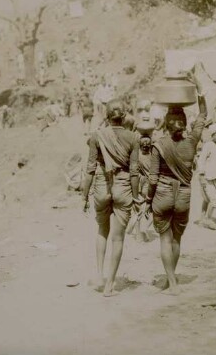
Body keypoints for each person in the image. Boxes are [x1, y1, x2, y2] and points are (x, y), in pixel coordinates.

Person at [144, 70, 207, 295]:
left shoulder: (158, 144)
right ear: (184, 124)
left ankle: (170, 281)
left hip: (161, 194)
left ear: (167, 124)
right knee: (177, 238)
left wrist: (148, 199)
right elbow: (202, 116)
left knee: (164, 238)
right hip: (183, 195)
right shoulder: (192, 141)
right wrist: (200, 90)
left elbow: (152, 178)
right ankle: (173, 280)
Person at [82, 99, 141, 297]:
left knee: (102, 230)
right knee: (118, 239)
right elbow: (134, 172)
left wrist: (84, 196)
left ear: (106, 117)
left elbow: (90, 169)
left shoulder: (96, 136)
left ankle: (99, 276)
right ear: (124, 117)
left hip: (101, 186)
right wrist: (136, 196)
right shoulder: (133, 138)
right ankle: (110, 285)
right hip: (123, 187)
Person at [196, 123, 216, 230]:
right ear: (212, 135)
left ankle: (202, 219)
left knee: (207, 200)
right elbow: (201, 160)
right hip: (207, 177)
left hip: (214, 177)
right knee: (214, 201)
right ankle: (208, 220)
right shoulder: (208, 145)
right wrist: (201, 175)